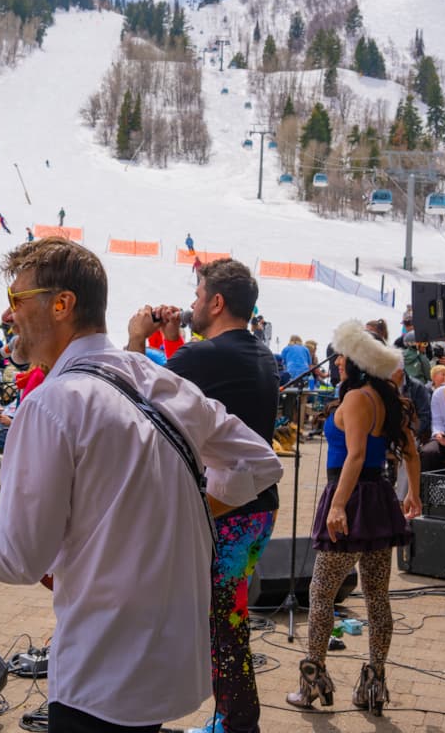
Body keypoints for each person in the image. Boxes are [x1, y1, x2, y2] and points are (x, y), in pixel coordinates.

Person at [0, 237, 283, 732]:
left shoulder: (52, 405)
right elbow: (256, 461)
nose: (8, 313)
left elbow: (18, 557)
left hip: (101, 677)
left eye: (18, 299)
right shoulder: (152, 376)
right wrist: (174, 511)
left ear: (61, 305)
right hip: (167, 666)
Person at [124, 258, 279, 733]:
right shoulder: (259, 353)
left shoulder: (203, 357)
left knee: (219, 625)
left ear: (216, 301)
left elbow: (133, 396)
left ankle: (236, 724)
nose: (189, 303)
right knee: (225, 620)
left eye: (196, 294)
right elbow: (193, 390)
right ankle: (233, 720)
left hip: (223, 512)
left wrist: (136, 339)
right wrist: (174, 341)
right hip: (254, 510)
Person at [288, 321, 420, 715]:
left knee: (321, 592)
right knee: (377, 595)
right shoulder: (386, 398)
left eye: (344, 356)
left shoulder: (359, 399)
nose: (339, 361)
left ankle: (313, 682)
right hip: (377, 500)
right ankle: (374, 684)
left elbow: (356, 456)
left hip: (355, 498)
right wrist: (414, 491)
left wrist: (338, 504)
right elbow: (412, 450)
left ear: (359, 363)